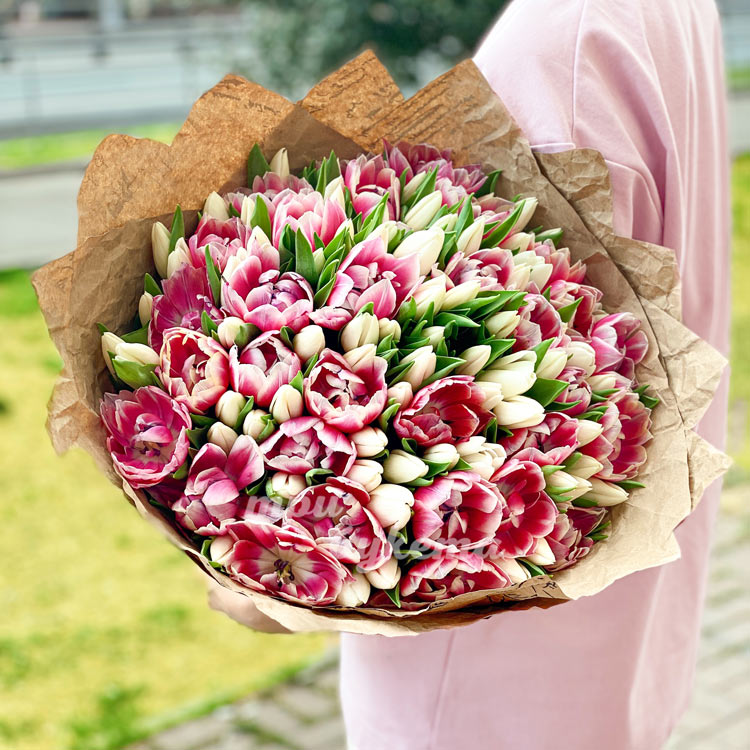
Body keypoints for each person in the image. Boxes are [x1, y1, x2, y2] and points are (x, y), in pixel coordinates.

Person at [210, 1, 731, 747]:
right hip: (625, 642)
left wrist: (267, 582)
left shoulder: (555, 62)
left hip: (484, 688)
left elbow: (499, 404)